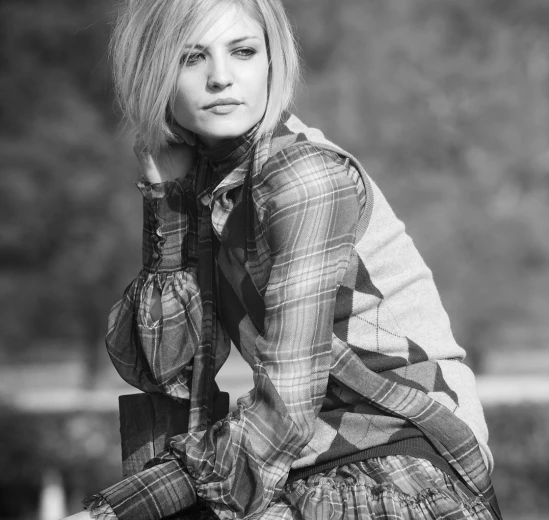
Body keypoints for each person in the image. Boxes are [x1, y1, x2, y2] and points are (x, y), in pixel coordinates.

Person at [64, 0, 500, 519]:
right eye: (191, 58)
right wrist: (168, 201)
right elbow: (164, 368)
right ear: (151, 71)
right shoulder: (212, 182)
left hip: (397, 460)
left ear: (273, 60)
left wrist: (113, 512)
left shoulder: (303, 179)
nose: (221, 77)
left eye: (243, 51)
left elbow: (285, 415)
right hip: (307, 462)